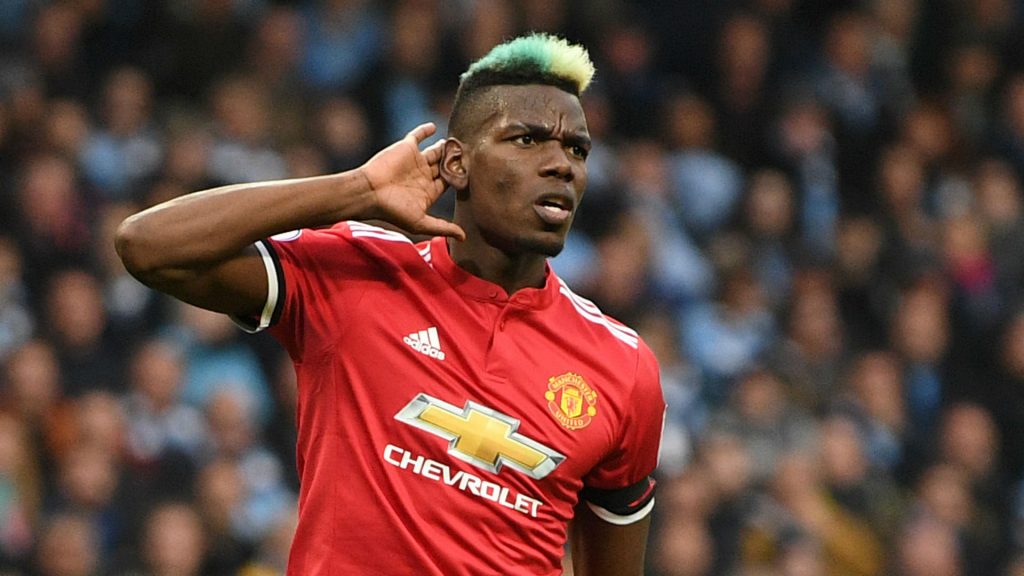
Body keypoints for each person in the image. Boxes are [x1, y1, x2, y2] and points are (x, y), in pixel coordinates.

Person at [115, 33, 665, 575]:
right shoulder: (356, 275)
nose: (562, 165)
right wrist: (356, 190)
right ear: (455, 164)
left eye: (577, 149)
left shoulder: (622, 366)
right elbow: (148, 246)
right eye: (527, 140)